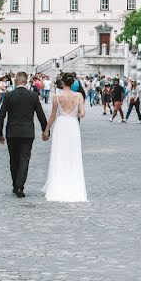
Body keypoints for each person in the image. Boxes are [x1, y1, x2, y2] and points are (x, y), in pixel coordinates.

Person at [0, 71, 48, 198]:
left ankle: (15, 184)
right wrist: (45, 130)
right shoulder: (33, 96)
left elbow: (1, 116)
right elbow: (41, 115)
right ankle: (20, 186)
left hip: (12, 132)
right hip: (27, 132)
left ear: (15, 81)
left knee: (13, 159)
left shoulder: (9, 95)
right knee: (24, 159)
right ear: (26, 82)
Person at [41, 73, 87, 202]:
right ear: (73, 83)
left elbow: (52, 116)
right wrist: (74, 113)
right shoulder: (78, 96)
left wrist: (46, 130)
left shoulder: (57, 97)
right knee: (73, 155)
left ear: (62, 83)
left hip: (61, 125)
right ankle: (73, 183)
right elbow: (82, 114)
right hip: (72, 125)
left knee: (59, 154)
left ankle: (57, 184)